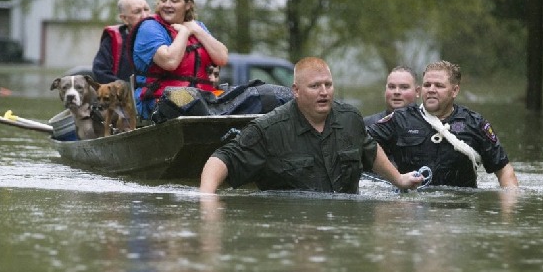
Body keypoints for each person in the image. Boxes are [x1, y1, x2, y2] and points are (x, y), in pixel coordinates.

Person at [199, 57, 424, 194]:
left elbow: (370, 151)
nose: (324, 92)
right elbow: (223, 157)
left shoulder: (349, 118)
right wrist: (207, 198)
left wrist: (399, 179)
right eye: (315, 86)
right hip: (295, 227)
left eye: (328, 85)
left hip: (344, 225)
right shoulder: (271, 127)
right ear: (295, 91)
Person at [368, 60, 519, 188]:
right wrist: (397, 179)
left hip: (459, 212)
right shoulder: (400, 119)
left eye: (439, 86)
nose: (431, 90)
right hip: (411, 211)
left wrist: (508, 215)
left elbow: (505, 171)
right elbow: (366, 143)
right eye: (427, 85)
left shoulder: (474, 123)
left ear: (454, 91)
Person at [130, 0, 228, 120]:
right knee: (192, 102)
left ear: (187, 5)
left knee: (261, 94)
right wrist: (183, 32)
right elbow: (170, 62)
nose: (167, 4)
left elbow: (222, 58)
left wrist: (197, 30)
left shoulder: (197, 27)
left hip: (202, 97)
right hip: (161, 100)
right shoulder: (149, 28)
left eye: (174, 1)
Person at [91, 0, 151, 84]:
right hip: (124, 94)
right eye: (137, 12)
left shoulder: (161, 34)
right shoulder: (113, 39)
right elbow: (100, 72)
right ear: (124, 19)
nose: (144, 15)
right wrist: (124, 89)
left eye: (146, 9)